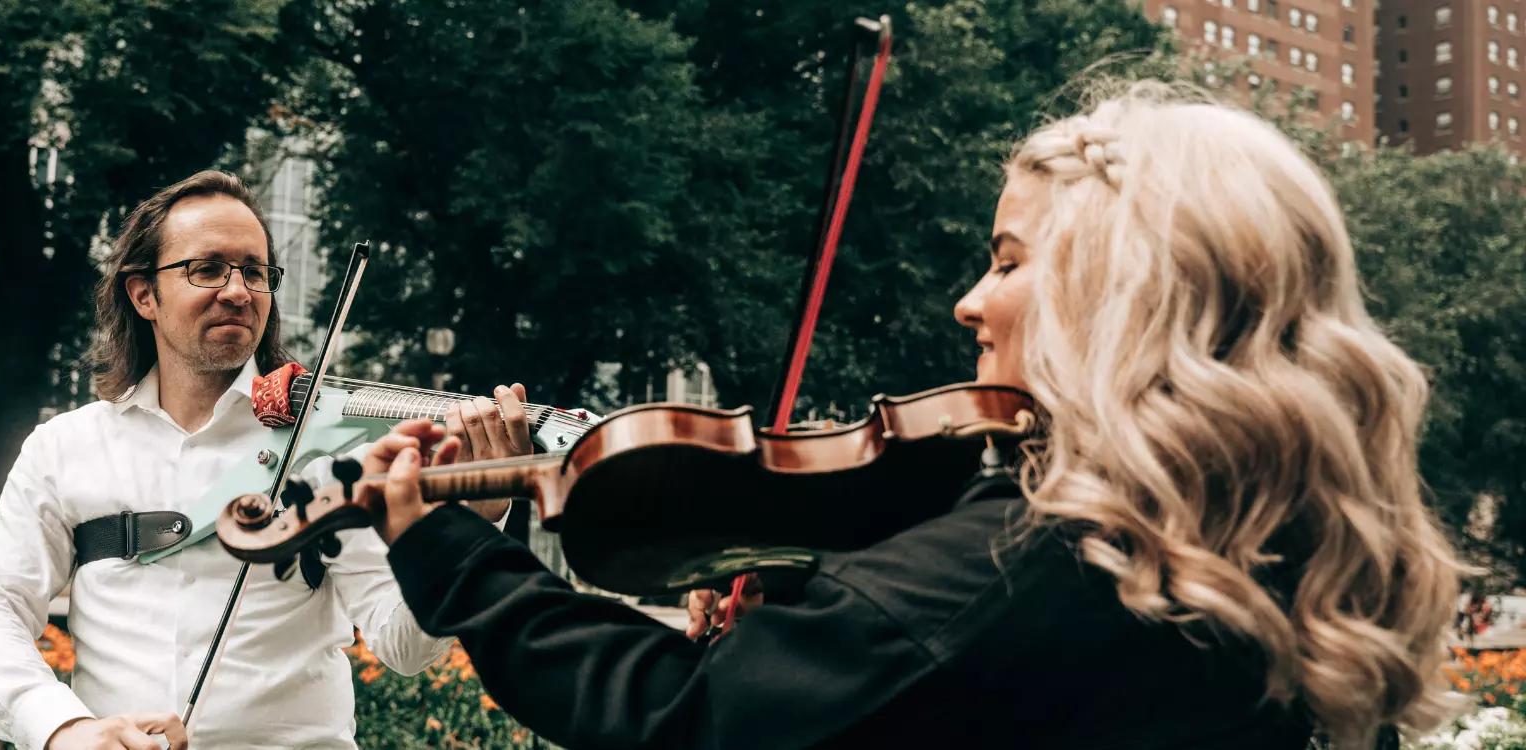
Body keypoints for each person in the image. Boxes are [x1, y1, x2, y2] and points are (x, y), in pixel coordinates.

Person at [362, 82, 1465, 749]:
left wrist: (446, 548)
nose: (969, 304)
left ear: (1123, 292)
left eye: (1008, 262)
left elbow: (678, 718)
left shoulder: (1043, 563)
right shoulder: (1261, 555)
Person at [0, 170, 531, 750]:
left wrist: (473, 524)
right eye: (206, 269)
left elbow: (405, 644)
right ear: (144, 294)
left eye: (255, 272)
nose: (237, 291)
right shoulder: (66, 448)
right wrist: (65, 729)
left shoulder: (329, 447)